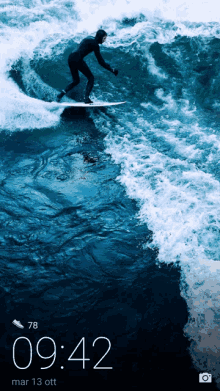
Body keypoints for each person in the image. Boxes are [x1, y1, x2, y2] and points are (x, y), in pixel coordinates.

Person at [56, 29, 119, 104]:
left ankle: (60, 95)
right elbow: (100, 62)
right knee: (91, 78)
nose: (104, 40)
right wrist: (111, 70)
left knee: (76, 81)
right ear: (100, 37)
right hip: (77, 58)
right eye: (104, 38)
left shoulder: (90, 38)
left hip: (71, 57)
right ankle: (86, 99)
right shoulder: (95, 44)